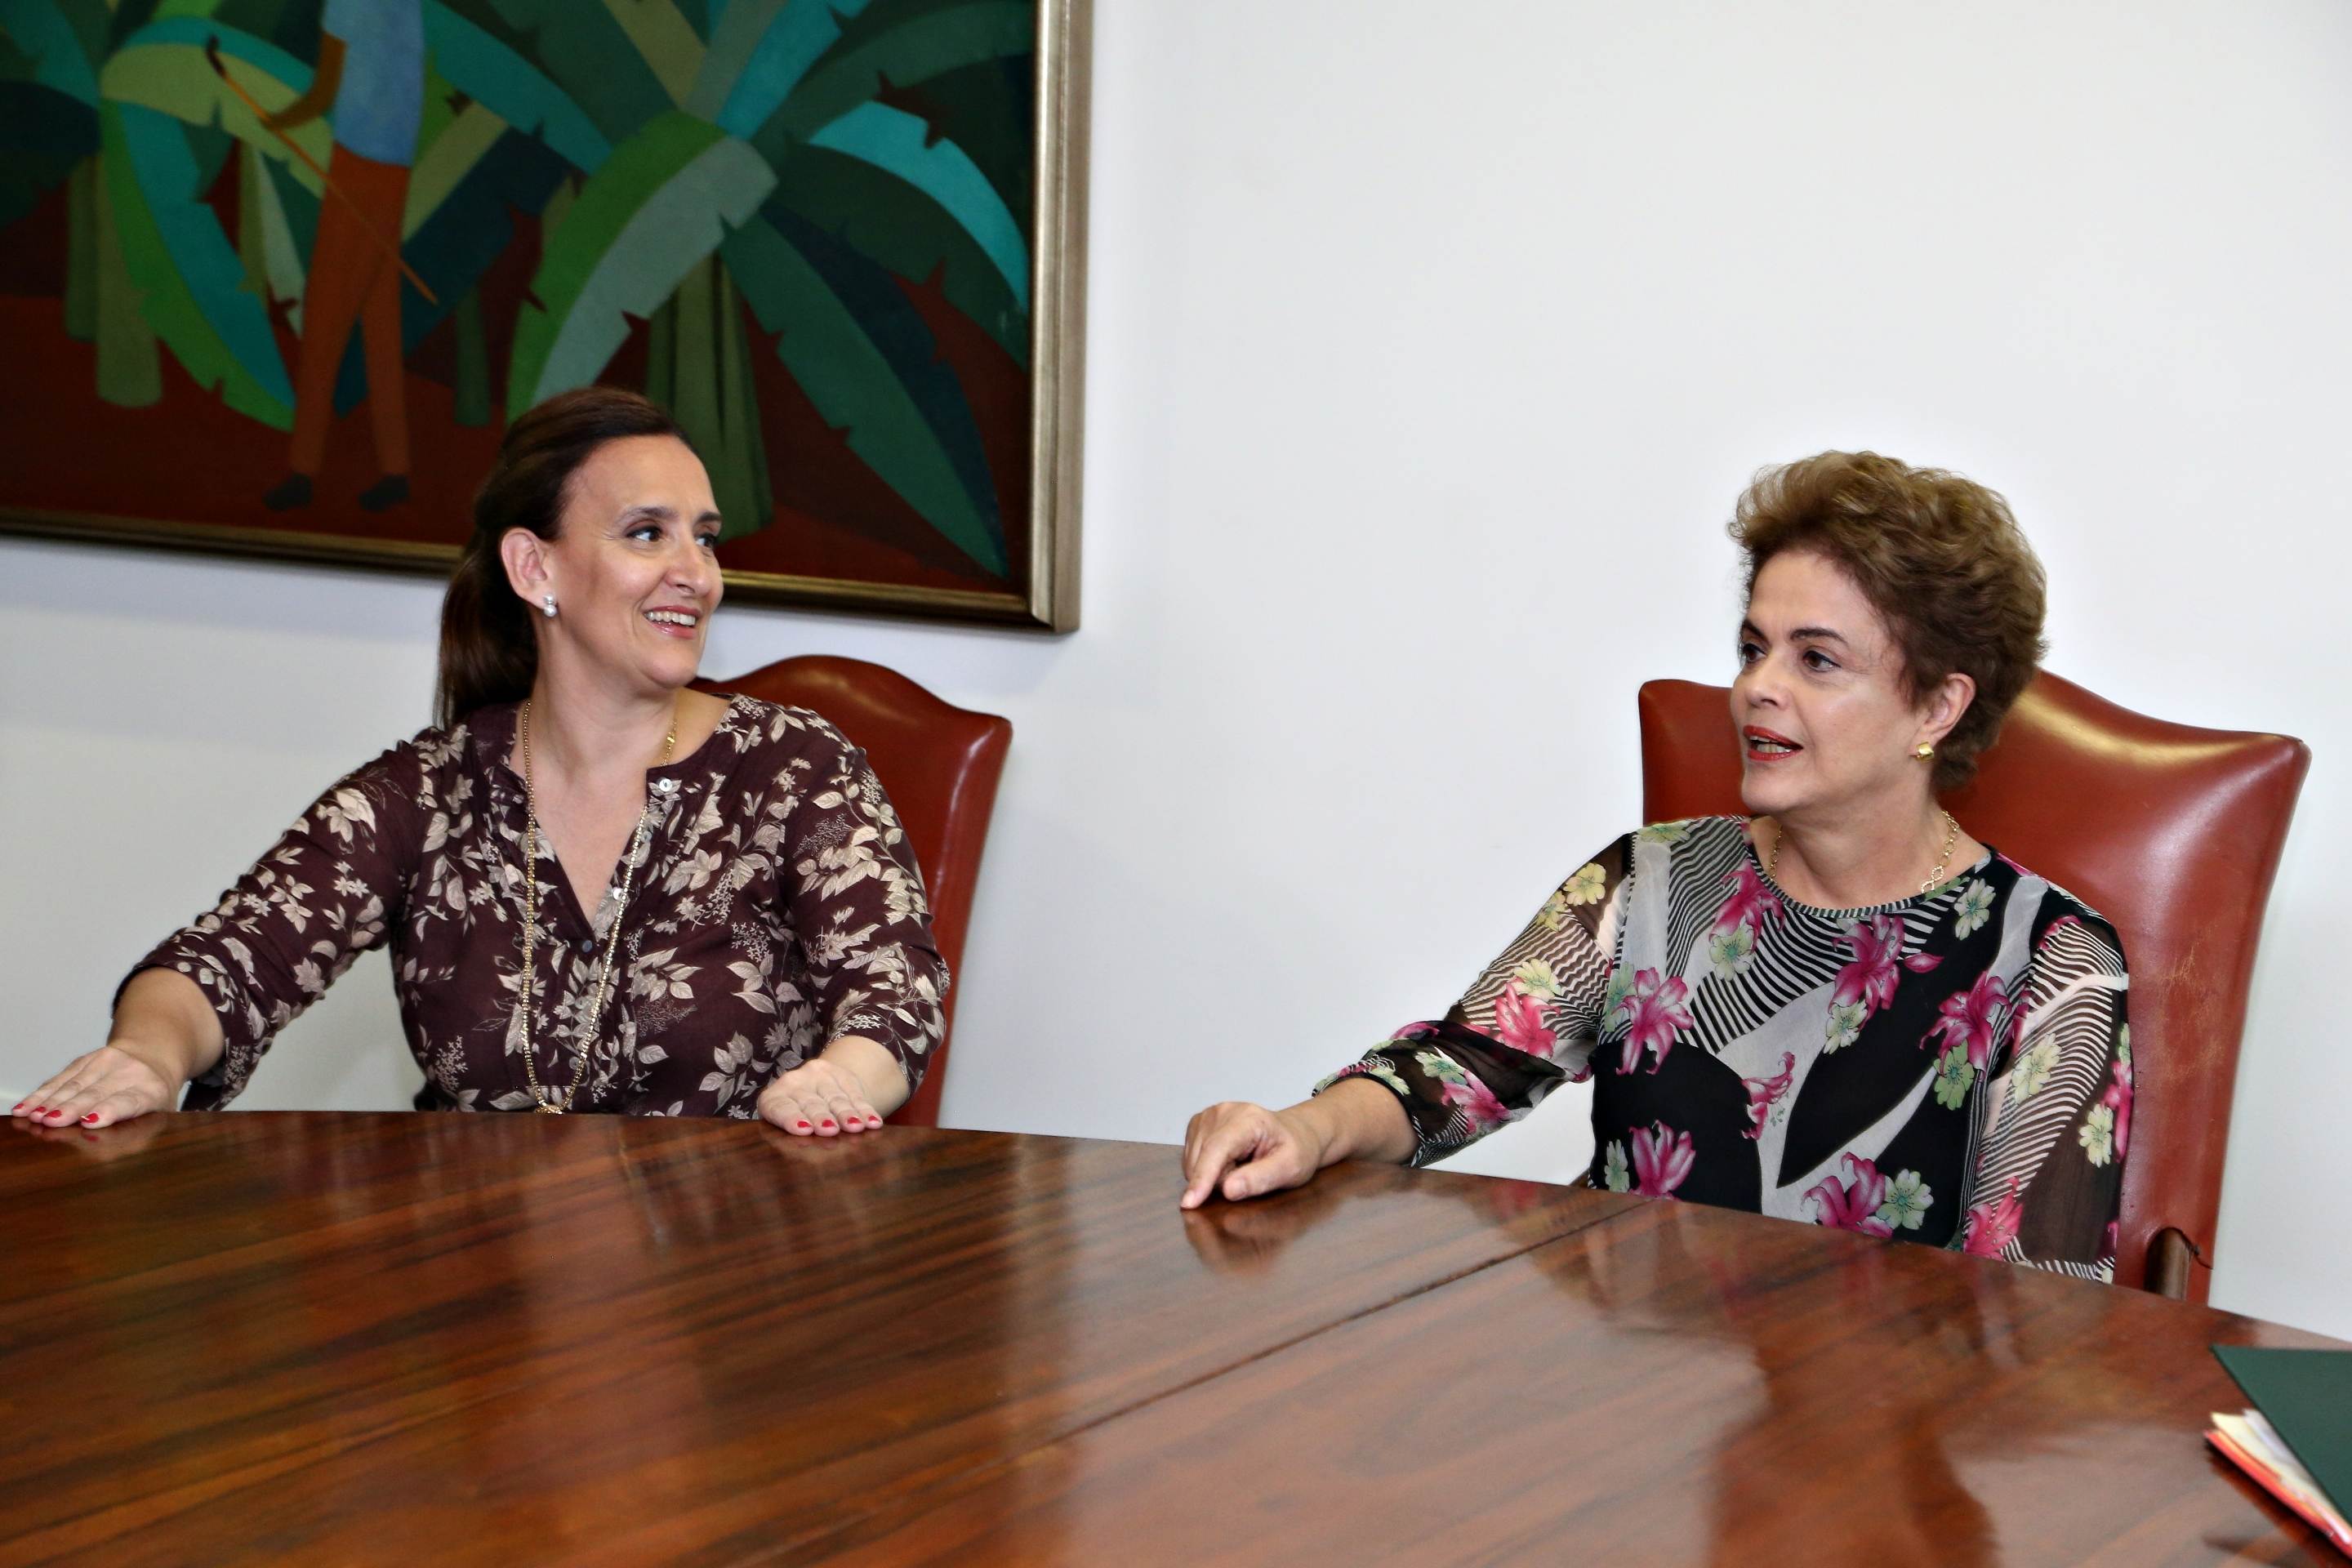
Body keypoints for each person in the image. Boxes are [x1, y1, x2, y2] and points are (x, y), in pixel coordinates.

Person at [1181, 452, 2132, 1281]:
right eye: (1755, 648)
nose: (1758, 686)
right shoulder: (1655, 881)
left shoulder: (2053, 965)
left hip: (1876, 1445)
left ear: (1936, 709)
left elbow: (2035, 1306)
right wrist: (1307, 1129)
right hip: (1620, 1403)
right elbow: (1464, 1069)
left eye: (1818, 661)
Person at [14, 387, 947, 1133]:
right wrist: (146, 1055)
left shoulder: (794, 768)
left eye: (704, 537)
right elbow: (226, 960)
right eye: (646, 533)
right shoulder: (432, 790)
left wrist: (838, 1079)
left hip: (737, 1283)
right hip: (479, 1290)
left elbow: (893, 991)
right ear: (534, 569)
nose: (696, 573)